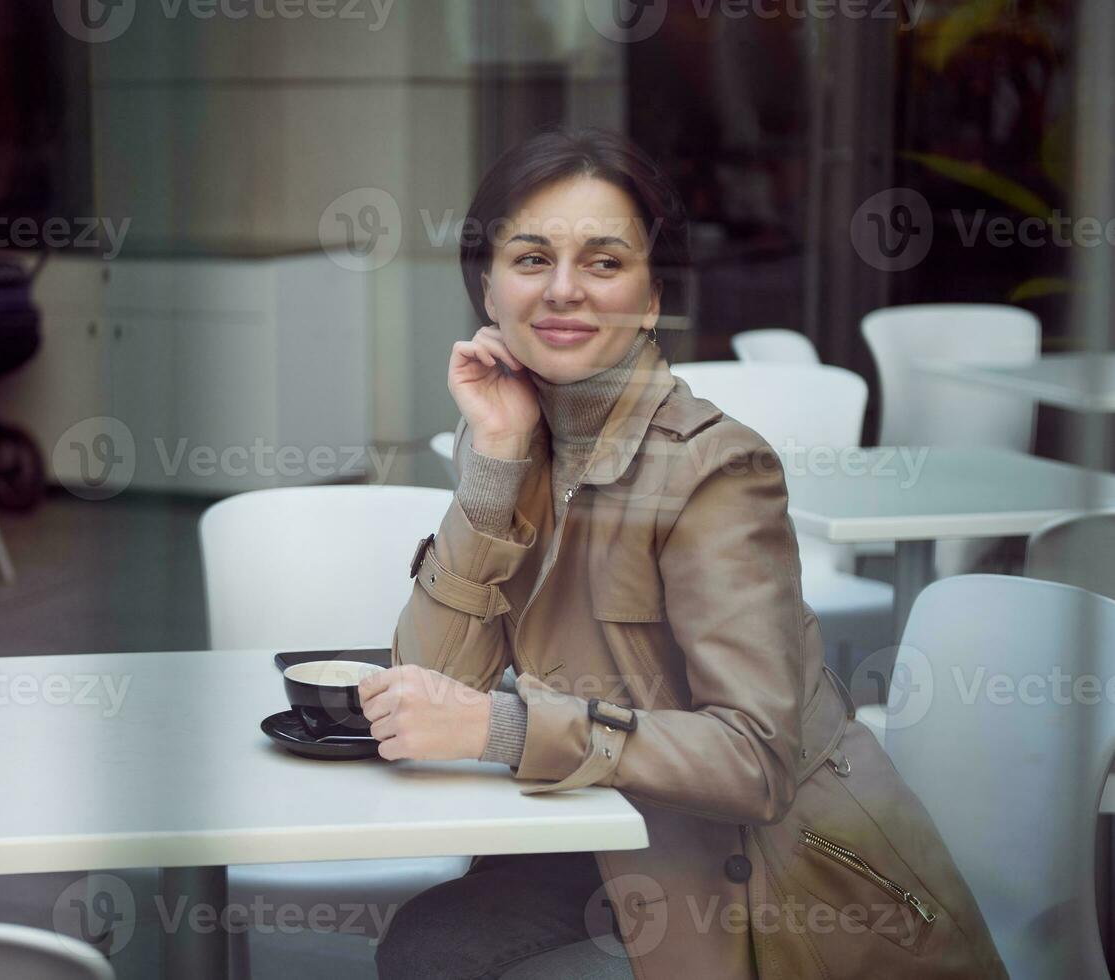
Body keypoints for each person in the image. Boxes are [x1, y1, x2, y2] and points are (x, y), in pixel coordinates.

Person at [360, 127, 1006, 979]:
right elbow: (433, 677)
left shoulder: (715, 468)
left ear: (653, 297)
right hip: (602, 831)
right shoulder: (511, 432)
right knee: (427, 945)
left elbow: (754, 760)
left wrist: (507, 727)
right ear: (487, 285)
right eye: (528, 259)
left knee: (438, 956)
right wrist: (492, 475)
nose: (562, 291)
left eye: (602, 262)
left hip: (753, 879)